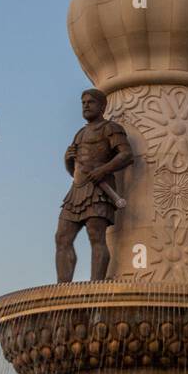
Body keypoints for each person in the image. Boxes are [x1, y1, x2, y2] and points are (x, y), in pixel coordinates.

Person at [55, 89, 133, 282]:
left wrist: (103, 170)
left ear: (102, 106)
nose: (86, 105)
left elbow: (126, 155)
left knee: (95, 236)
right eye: (83, 103)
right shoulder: (80, 134)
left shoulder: (110, 128)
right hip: (77, 190)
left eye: (91, 102)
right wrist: (68, 160)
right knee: (62, 237)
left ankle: (95, 284)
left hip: (99, 189)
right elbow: (74, 171)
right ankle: (62, 287)